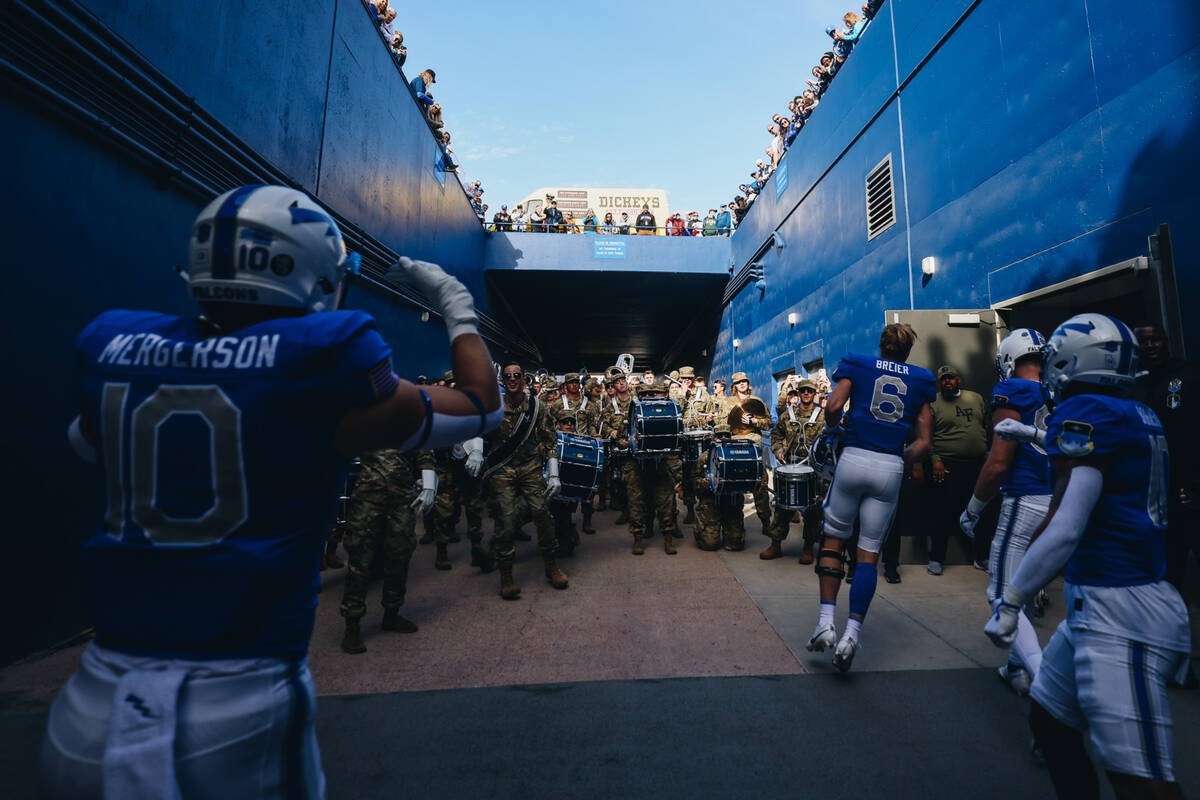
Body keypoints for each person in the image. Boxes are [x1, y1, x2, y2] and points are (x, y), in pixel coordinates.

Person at [41, 184, 502, 798]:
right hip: (235, 701)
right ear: (311, 277)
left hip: (89, 704)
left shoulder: (115, 349)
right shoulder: (319, 366)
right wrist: (457, 308)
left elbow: (86, 440)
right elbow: (481, 406)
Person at [985, 314, 1191, 799]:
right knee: (1050, 721)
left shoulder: (1090, 411)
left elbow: (1067, 525)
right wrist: (1033, 436)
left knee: (1140, 778)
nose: (1053, 369)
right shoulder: (1136, 412)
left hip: (1121, 607)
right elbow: (1102, 463)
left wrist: (1012, 601)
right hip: (1096, 602)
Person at [807, 323, 935, 672]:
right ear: (908, 350)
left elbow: (833, 406)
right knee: (868, 556)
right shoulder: (921, 378)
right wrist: (899, 459)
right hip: (890, 465)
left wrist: (835, 430)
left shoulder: (860, 363)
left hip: (854, 457)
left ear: (882, 345)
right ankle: (851, 634)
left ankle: (825, 623)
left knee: (833, 542)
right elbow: (925, 441)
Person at [958, 329, 1052, 696]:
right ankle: (1017, 667)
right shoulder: (1057, 390)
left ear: (1009, 359)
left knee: (1002, 593)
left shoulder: (1012, 391)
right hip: (1056, 499)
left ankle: (1044, 683)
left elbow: (999, 462)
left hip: (1024, 497)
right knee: (1024, 588)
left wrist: (973, 509)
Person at [338, 445, 436, 654]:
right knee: (360, 558)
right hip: (367, 495)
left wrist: (429, 485)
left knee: (399, 554)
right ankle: (352, 624)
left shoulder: (410, 415)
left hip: (402, 497)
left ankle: (392, 613)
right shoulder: (365, 414)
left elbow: (424, 449)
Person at [485, 363, 568, 599]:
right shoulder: (494, 406)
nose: (512, 379)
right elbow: (479, 432)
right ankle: (506, 576)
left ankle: (552, 566)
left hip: (531, 467)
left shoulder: (537, 406)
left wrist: (553, 473)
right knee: (507, 519)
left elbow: (550, 440)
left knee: (542, 513)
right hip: (503, 469)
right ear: (502, 380)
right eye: (508, 376)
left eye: (517, 376)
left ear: (524, 379)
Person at [927, 365, 990, 574]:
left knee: (980, 512)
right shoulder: (933, 403)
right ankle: (936, 559)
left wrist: (989, 455)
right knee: (941, 514)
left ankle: (981, 557)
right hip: (946, 465)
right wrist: (935, 460)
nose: (947, 381)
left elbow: (988, 426)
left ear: (959, 380)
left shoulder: (976, 398)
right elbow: (925, 436)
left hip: (977, 464)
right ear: (939, 383)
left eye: (950, 378)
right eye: (943, 379)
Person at [761, 380, 825, 562]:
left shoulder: (823, 416)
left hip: (814, 469)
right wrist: (779, 450)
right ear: (798, 393)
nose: (806, 393)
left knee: (813, 509)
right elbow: (776, 435)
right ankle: (775, 545)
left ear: (814, 393)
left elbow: (831, 438)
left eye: (809, 391)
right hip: (791, 467)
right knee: (782, 506)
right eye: (803, 391)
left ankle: (807, 548)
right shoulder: (787, 415)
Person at [728, 371, 773, 534]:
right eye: (738, 382)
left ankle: (766, 521)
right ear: (734, 386)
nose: (742, 384)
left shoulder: (757, 402)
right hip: (735, 446)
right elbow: (721, 424)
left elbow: (768, 423)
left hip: (755, 448)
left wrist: (755, 421)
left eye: (744, 381)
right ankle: (737, 524)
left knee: (760, 485)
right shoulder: (728, 402)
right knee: (736, 485)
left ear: (748, 383)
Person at [694, 422, 749, 550]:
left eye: (726, 435)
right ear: (714, 438)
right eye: (719, 436)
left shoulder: (739, 455)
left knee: (735, 544)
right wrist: (702, 483)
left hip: (731, 502)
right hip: (710, 502)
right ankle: (701, 528)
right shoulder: (705, 458)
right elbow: (694, 480)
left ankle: (732, 529)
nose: (723, 438)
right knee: (709, 544)